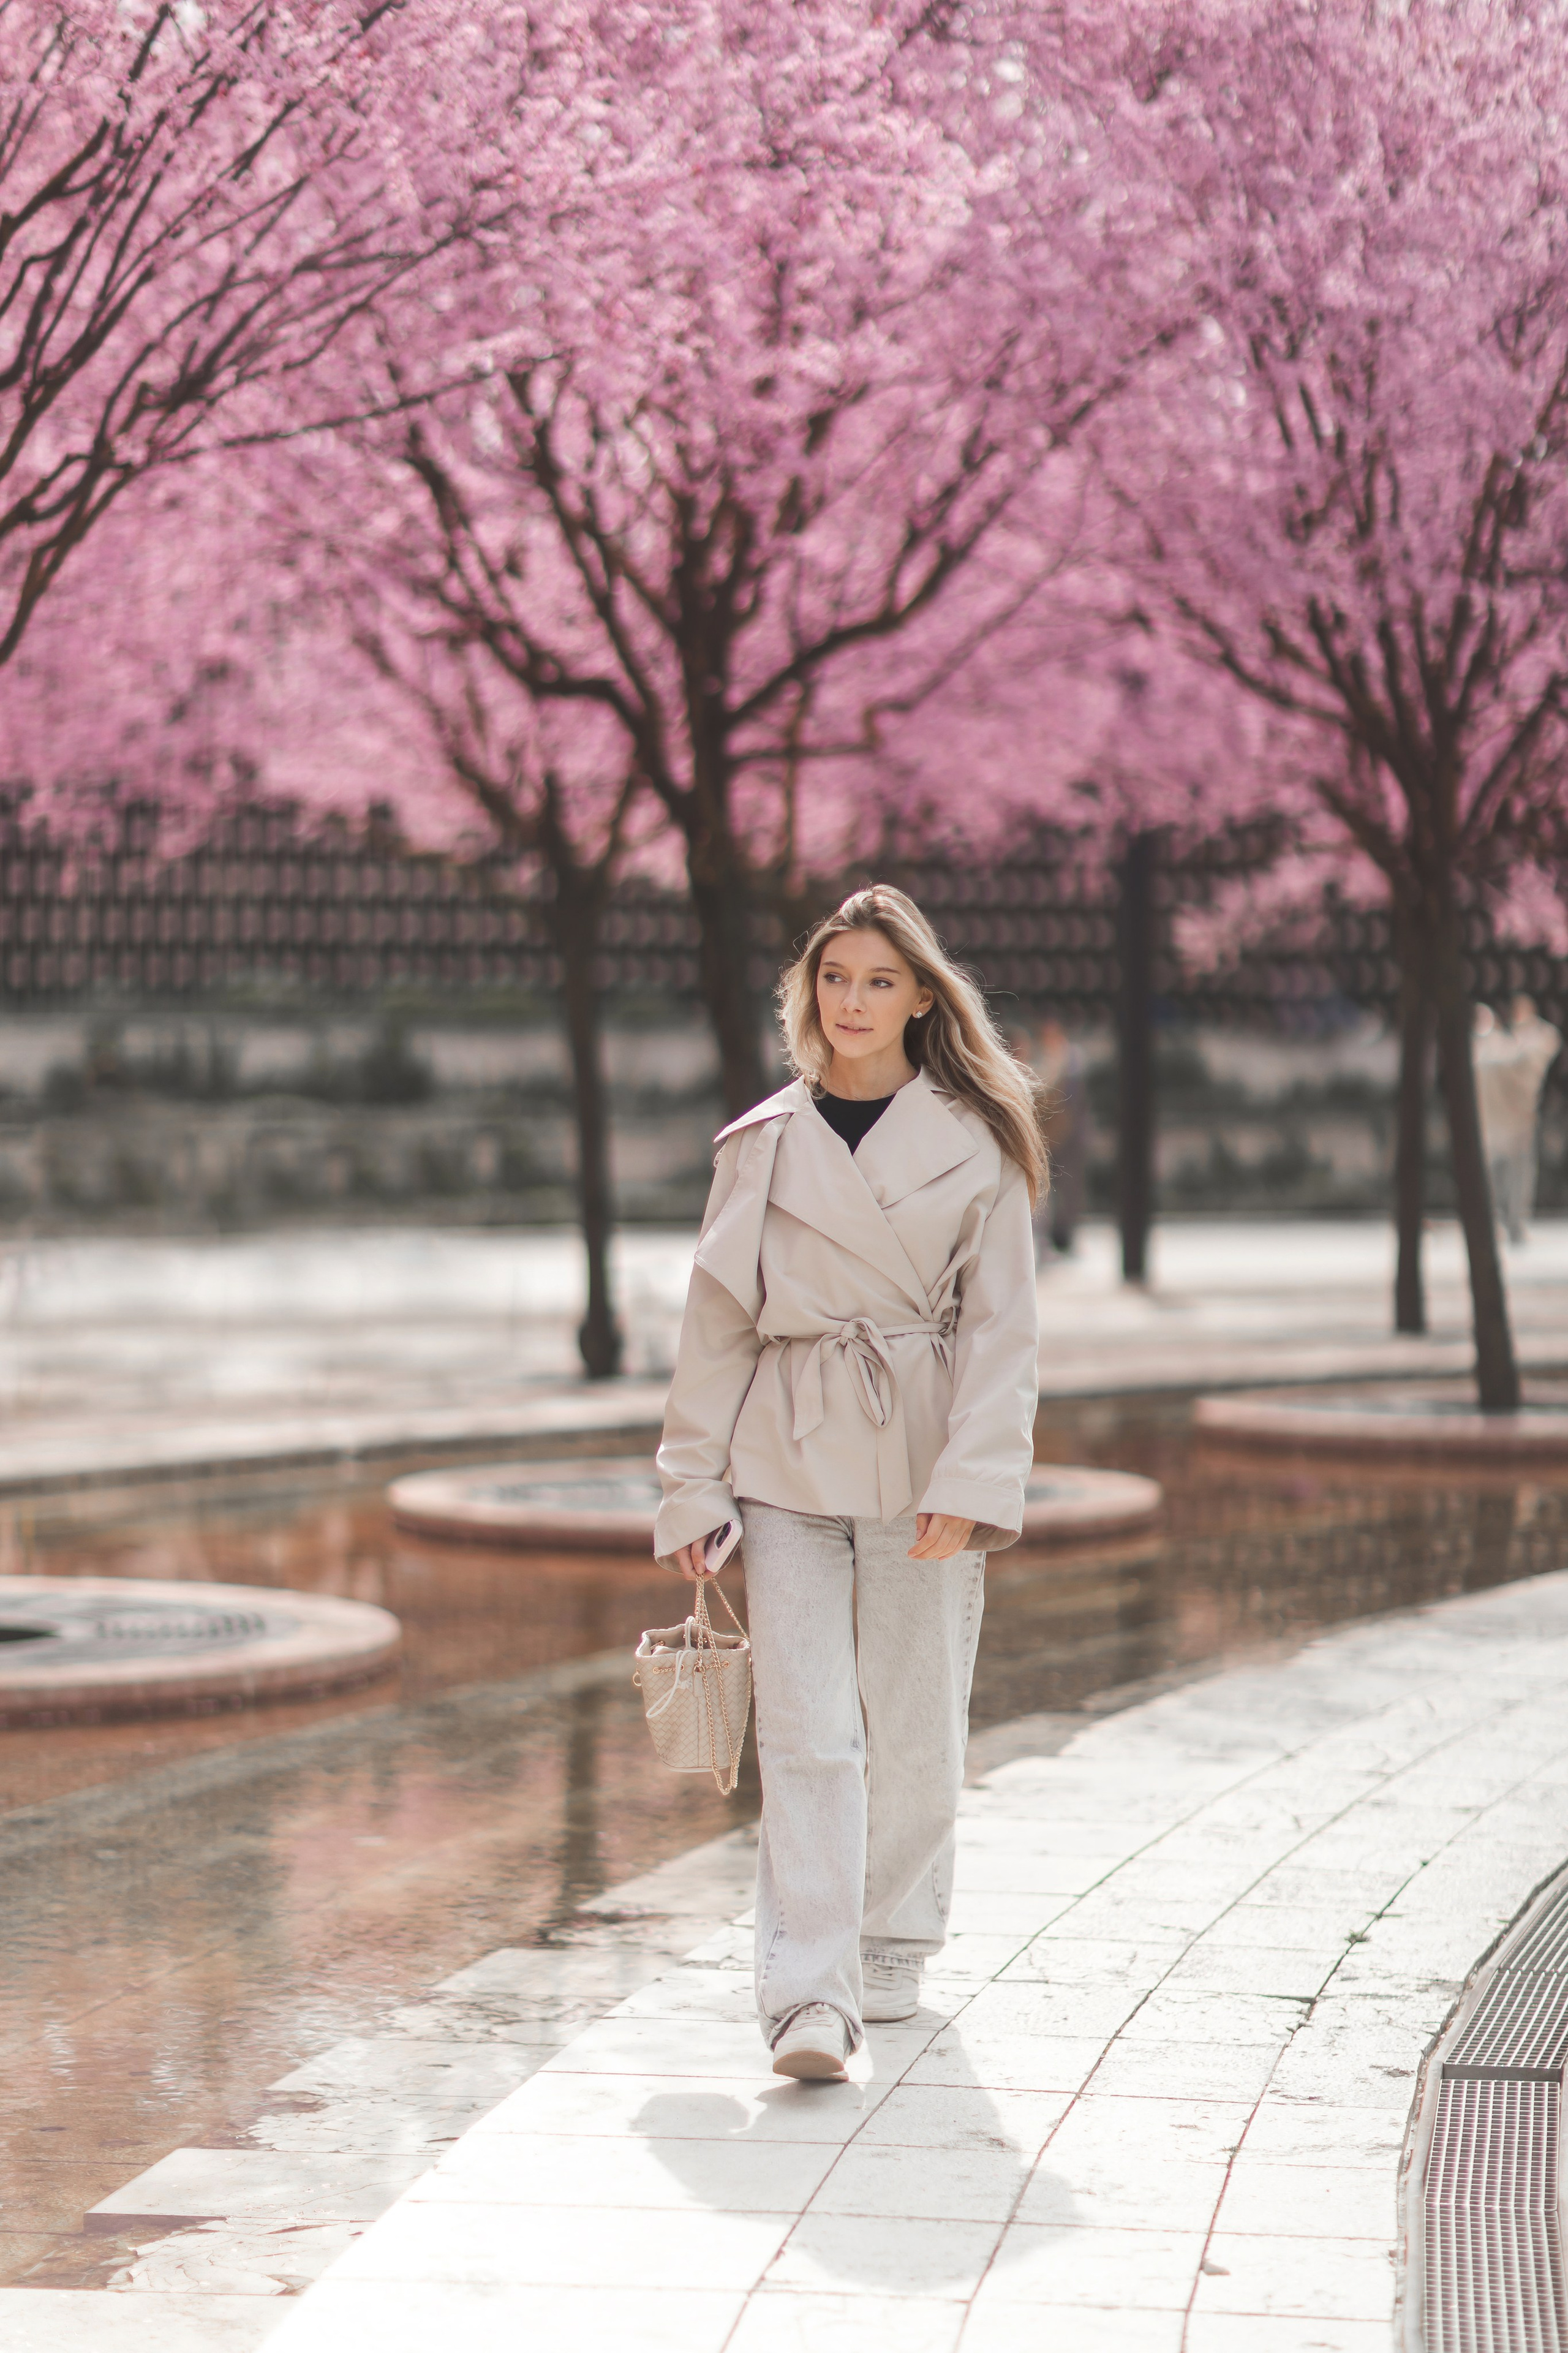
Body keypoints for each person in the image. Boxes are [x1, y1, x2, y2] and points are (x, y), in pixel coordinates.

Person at [654, 885, 1044, 2083]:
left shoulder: (976, 1142)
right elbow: (715, 1324)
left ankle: (894, 1939)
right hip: (784, 1453)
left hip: (921, 1451)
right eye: (834, 979)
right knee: (810, 1724)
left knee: (913, 1714)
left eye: (879, 980)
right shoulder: (761, 1143)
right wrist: (689, 1484)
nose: (854, 1002)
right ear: (807, 993)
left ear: (921, 996)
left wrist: (972, 1481)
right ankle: (805, 1993)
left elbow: (1002, 1334)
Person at [1476, 995, 1562, 1244]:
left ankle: (1514, 1225)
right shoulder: (1493, 1044)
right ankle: (1494, 1225)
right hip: (1494, 1124)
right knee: (1495, 1179)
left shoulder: (1530, 1041)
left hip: (1520, 1123)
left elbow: (1547, 1042)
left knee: (1517, 1178)